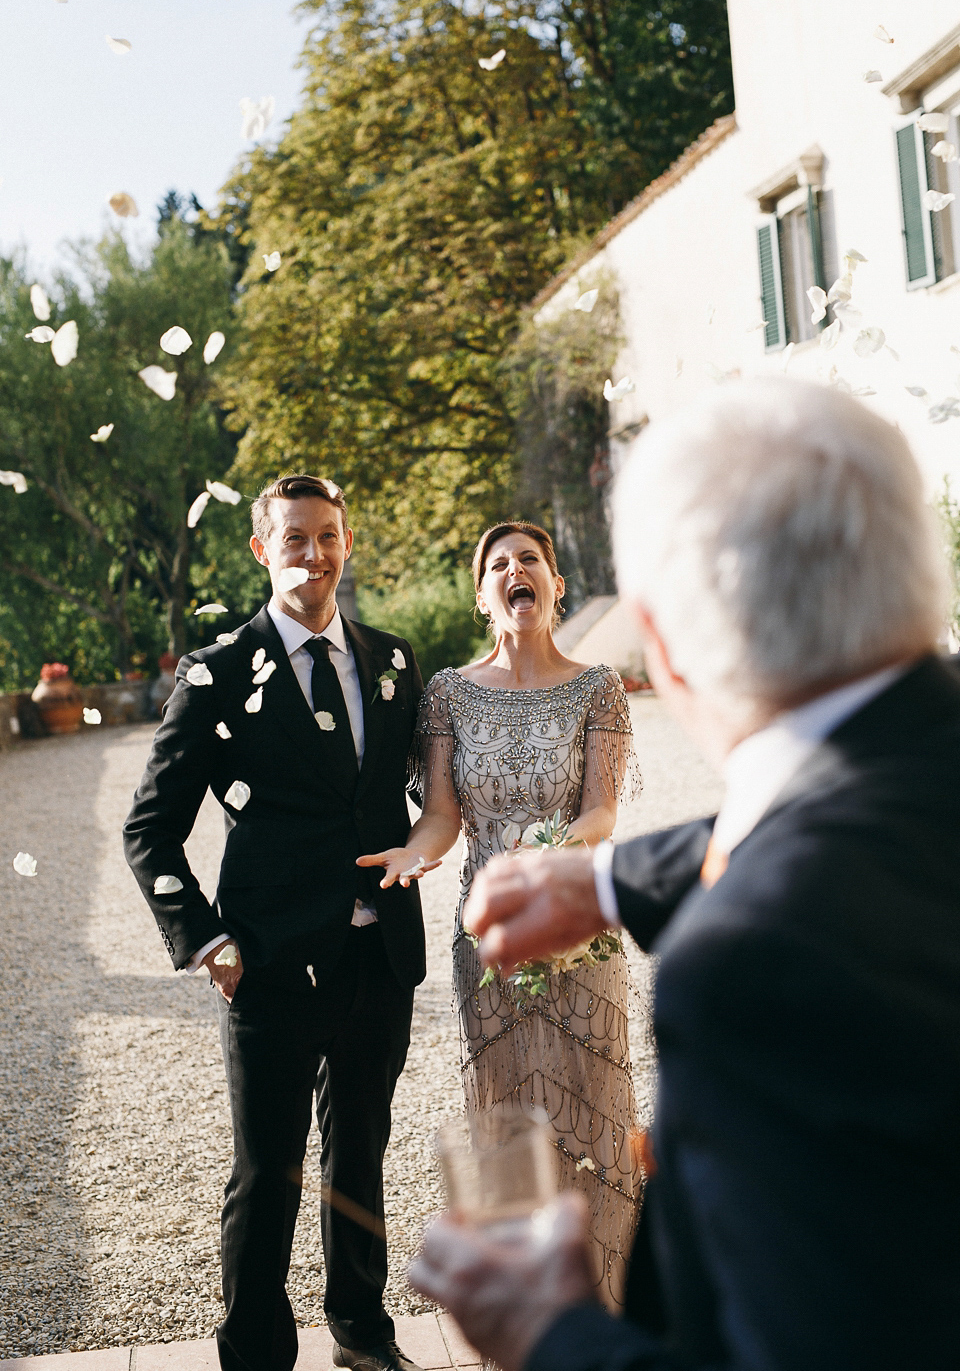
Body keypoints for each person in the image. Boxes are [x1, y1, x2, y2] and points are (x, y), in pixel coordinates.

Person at [408, 381, 960, 1371]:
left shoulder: (752, 967)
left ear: (660, 644)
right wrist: (614, 880)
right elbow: (875, 808)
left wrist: (553, 1332)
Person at [123, 475, 430, 1371]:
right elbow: (149, 829)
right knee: (267, 1176)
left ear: (346, 543)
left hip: (379, 955)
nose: (315, 554)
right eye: (295, 538)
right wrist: (205, 939)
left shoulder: (393, 660)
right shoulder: (216, 674)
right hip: (266, 963)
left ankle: (363, 1336)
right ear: (263, 549)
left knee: (360, 1158)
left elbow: (425, 791)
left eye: (329, 536)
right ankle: (255, 1354)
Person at [359, 521, 643, 1307]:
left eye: (532, 562)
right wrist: (412, 852)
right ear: (483, 595)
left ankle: (610, 1308)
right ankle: (530, 1325)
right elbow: (443, 816)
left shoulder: (600, 688)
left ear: (555, 585)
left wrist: (547, 845)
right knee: (508, 1122)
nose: (516, 572)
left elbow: (602, 814)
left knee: (594, 1119)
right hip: (487, 938)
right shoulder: (449, 692)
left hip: (576, 925)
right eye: (499, 565)